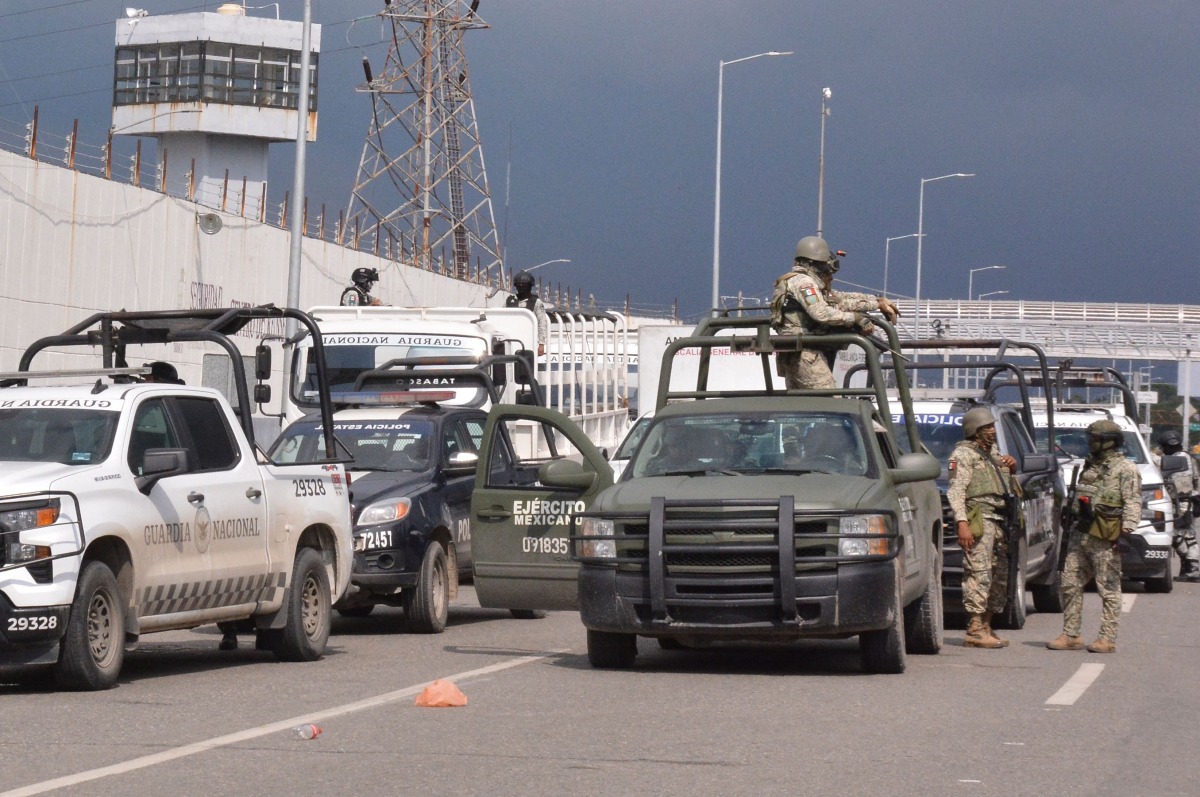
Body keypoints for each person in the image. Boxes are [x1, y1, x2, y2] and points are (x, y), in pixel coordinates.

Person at [1048, 419, 1141, 654]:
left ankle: (1107, 638)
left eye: (1095, 440)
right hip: (1082, 532)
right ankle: (1071, 634)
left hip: (1106, 535)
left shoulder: (1125, 469)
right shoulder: (1089, 466)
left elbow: (1132, 501)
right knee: (1069, 582)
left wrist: (1126, 533)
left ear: (1109, 442)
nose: (1090, 443)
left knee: (1108, 588)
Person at [770, 236, 900, 389]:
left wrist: (876, 302)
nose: (828, 272)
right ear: (814, 263)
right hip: (804, 352)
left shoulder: (801, 282)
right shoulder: (803, 282)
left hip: (801, 351)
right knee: (827, 398)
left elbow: (839, 299)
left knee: (805, 404)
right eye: (824, 264)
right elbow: (821, 313)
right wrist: (855, 319)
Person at [947, 407, 1019, 649]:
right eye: (986, 427)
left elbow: (1006, 485)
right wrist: (962, 523)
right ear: (974, 431)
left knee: (999, 574)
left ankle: (987, 624)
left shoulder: (994, 453)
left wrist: (1011, 468)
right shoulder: (963, 455)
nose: (991, 431)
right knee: (979, 573)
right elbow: (956, 491)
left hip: (1000, 519)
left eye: (991, 426)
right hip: (980, 518)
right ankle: (975, 628)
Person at [1154, 429, 1200, 581]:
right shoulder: (1187, 457)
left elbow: (1179, 484)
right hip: (1184, 502)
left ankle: (1193, 568)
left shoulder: (1177, 459)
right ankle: (1188, 567)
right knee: (1184, 535)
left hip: (1182, 503)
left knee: (1181, 535)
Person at [506, 271, 549, 356]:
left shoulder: (536, 302)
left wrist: (541, 344)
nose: (521, 288)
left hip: (529, 340)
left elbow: (542, 323)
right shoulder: (510, 300)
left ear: (529, 286)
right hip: (512, 340)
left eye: (524, 285)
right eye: (519, 285)